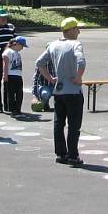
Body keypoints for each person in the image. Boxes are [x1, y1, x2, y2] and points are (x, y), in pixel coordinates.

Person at [36, 17, 86, 166]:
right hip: (73, 91)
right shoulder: (75, 44)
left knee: (58, 124)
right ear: (70, 30)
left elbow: (39, 63)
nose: (79, 31)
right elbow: (81, 61)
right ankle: (73, 155)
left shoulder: (53, 45)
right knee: (74, 125)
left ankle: (60, 154)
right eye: (77, 28)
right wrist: (78, 77)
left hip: (58, 91)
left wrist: (50, 78)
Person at [2, 36, 28, 116]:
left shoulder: (17, 53)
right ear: (16, 44)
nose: (22, 48)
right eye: (22, 46)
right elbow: (5, 64)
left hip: (18, 76)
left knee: (19, 94)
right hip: (10, 75)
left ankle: (18, 110)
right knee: (11, 94)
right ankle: (13, 111)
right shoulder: (8, 52)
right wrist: (5, 75)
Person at [32, 43, 56, 112]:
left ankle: (60, 106)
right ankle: (44, 104)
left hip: (58, 86)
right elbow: (35, 79)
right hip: (45, 86)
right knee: (45, 94)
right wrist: (35, 96)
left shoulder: (59, 60)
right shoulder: (41, 62)